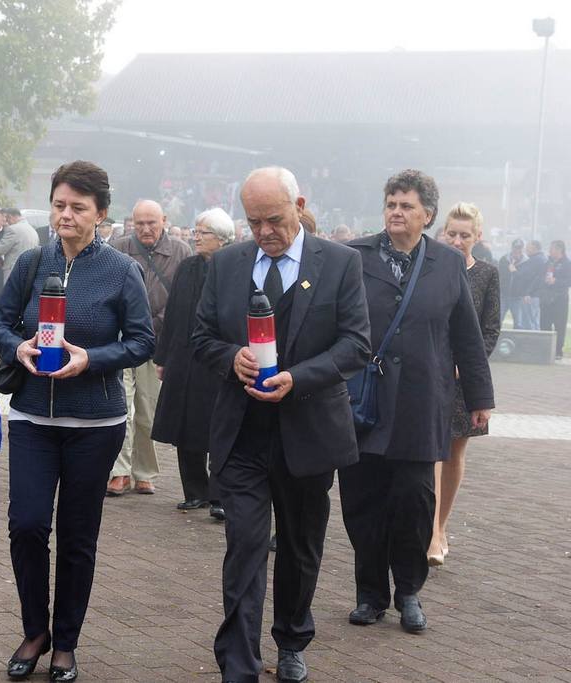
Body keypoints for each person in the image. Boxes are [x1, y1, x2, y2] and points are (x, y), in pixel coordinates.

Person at [193, 167, 370, 683]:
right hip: (242, 434)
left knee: (299, 545)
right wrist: (232, 358)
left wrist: (299, 377)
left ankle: (292, 638)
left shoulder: (340, 263)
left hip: (308, 433)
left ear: (300, 205)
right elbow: (201, 337)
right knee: (245, 545)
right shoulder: (226, 264)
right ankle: (239, 663)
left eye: (274, 219)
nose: (265, 231)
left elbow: (356, 344)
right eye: (254, 222)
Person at [0, 161, 154, 682]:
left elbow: (142, 341)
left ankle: (66, 642)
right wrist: (17, 347)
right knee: (27, 525)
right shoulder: (31, 262)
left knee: (78, 537)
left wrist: (92, 359)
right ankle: (34, 631)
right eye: (59, 204)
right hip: (32, 417)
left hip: (95, 424)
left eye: (78, 207)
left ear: (100, 214)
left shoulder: (122, 270)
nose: (65, 215)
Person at [340, 169, 493, 635]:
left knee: (414, 500)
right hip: (365, 402)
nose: (396, 212)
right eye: (391, 203)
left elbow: (466, 335)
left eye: (406, 206)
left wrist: (480, 398)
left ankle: (408, 591)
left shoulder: (447, 263)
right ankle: (370, 594)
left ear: (427, 215)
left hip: (421, 404)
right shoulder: (355, 257)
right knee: (362, 500)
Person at [426, 202, 501, 566]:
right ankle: (429, 533)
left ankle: (441, 527)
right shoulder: (433, 266)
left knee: (454, 453)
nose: (457, 241)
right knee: (432, 452)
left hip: (464, 379)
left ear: (478, 237)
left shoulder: (487, 274)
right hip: (431, 374)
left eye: (465, 235)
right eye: (451, 234)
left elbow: (489, 329)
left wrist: (464, 368)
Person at [151, 207, 234, 520]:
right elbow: (173, 314)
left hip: (216, 360)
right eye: (196, 232)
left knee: (218, 427)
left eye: (204, 233)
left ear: (222, 238)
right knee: (185, 425)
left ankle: (219, 494)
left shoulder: (233, 267)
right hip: (184, 358)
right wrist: (162, 357)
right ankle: (194, 491)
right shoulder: (187, 267)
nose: (196, 237)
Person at [107, 199, 192, 495]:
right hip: (121, 341)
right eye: (139, 223)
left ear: (164, 221)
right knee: (121, 407)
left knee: (147, 410)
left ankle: (144, 471)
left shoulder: (181, 251)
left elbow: (183, 299)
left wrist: (153, 323)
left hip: (157, 343)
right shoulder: (118, 247)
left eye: (151, 223)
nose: (145, 229)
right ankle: (119, 471)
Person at [0, 208, 40, 284]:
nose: (7, 222)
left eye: (7, 219)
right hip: (29, 270)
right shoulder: (32, 230)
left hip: (13, 270)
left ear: (10, 217)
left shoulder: (13, 229)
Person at [541, 240, 570, 360]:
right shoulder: (548, 262)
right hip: (546, 298)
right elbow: (541, 276)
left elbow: (568, 281)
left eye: (552, 248)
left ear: (559, 249)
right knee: (544, 324)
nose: (549, 251)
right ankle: (545, 350)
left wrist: (556, 281)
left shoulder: (567, 264)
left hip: (560, 300)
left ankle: (558, 351)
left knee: (559, 326)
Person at [512, 240, 547, 330]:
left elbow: (526, 277)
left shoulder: (536, 260)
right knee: (533, 321)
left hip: (530, 296)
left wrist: (514, 270)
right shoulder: (540, 259)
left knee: (529, 322)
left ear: (534, 247)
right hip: (534, 295)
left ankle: (531, 339)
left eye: (528, 246)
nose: (526, 249)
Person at [497, 239, 525, 327]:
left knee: (518, 322)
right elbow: (500, 275)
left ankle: (518, 336)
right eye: (516, 248)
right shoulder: (504, 259)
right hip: (503, 295)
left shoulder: (526, 261)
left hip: (517, 297)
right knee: (498, 319)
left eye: (519, 248)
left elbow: (525, 278)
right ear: (512, 248)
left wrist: (514, 271)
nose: (517, 250)